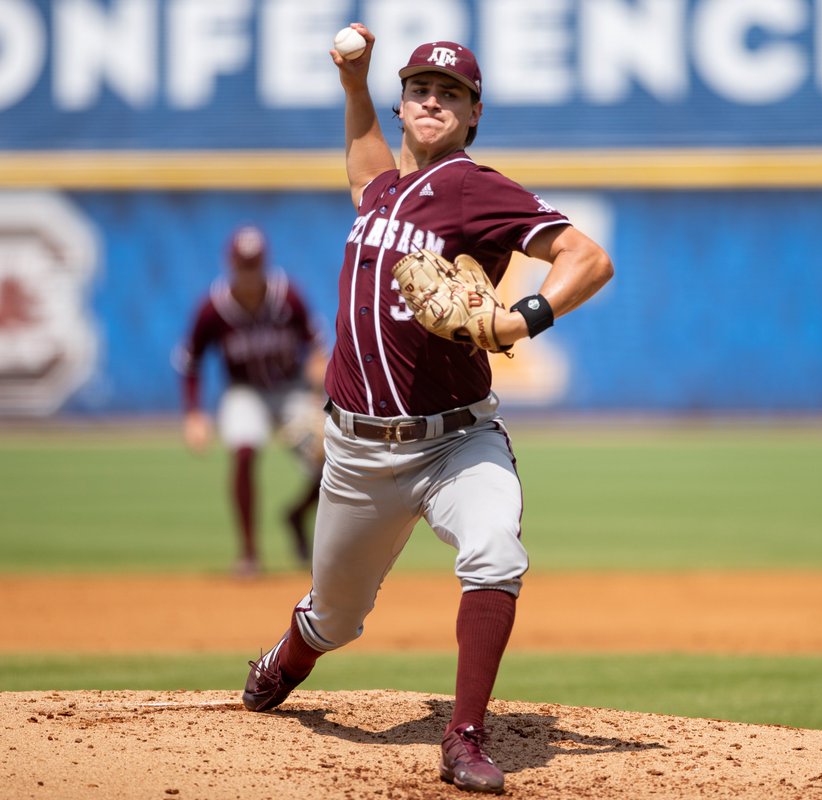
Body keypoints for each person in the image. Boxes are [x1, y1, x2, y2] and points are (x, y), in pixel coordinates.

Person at [240, 25, 614, 795]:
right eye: (420, 90)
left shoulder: (479, 188)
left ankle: (465, 737)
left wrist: (519, 319)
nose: (433, 101)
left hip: (457, 441)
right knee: (335, 618)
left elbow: (589, 258)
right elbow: (362, 163)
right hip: (358, 453)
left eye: (451, 93)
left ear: (474, 113)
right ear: (402, 104)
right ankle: (289, 653)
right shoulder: (381, 192)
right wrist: (354, 84)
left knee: (495, 553)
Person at [176, 224, 328, 578]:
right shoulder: (213, 308)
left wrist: (317, 379)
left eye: (254, 265)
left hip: (290, 389)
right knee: (244, 451)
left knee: (335, 461)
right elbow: (190, 362)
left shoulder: (287, 297)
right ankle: (248, 554)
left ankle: (297, 515)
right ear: (230, 264)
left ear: (264, 264)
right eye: (242, 266)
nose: (248, 273)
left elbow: (316, 344)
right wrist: (194, 414)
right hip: (244, 392)